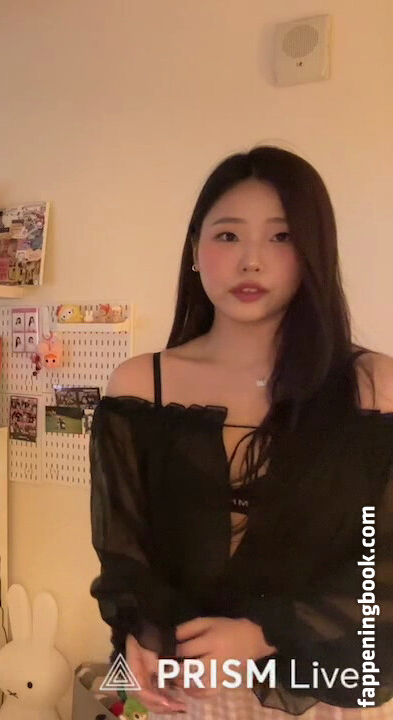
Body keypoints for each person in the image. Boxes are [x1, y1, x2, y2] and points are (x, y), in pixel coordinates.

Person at [89, 146, 393, 718]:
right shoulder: (141, 386)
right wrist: (137, 633)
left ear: (314, 252)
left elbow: (382, 565)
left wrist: (264, 632)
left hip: (321, 689)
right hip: (185, 693)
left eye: (281, 237)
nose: (251, 261)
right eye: (228, 236)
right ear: (195, 252)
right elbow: (126, 556)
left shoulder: (374, 386)